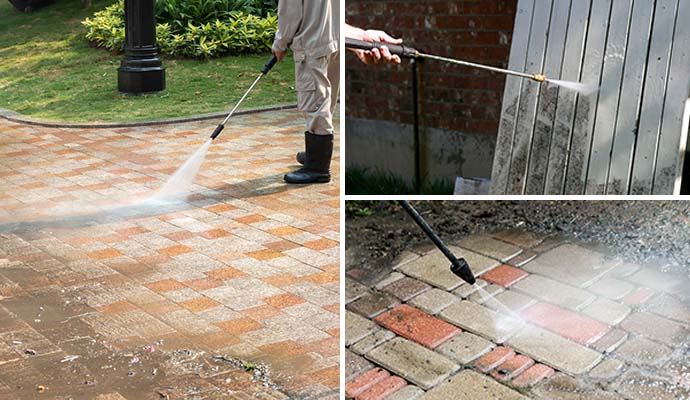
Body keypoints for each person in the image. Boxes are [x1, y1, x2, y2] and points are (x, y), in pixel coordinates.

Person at [272, 0, 339, 184]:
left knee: (316, 103)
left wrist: (280, 43)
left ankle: (318, 168)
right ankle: (315, 155)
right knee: (326, 99)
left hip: (313, 42)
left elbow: (290, 12)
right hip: (334, 39)